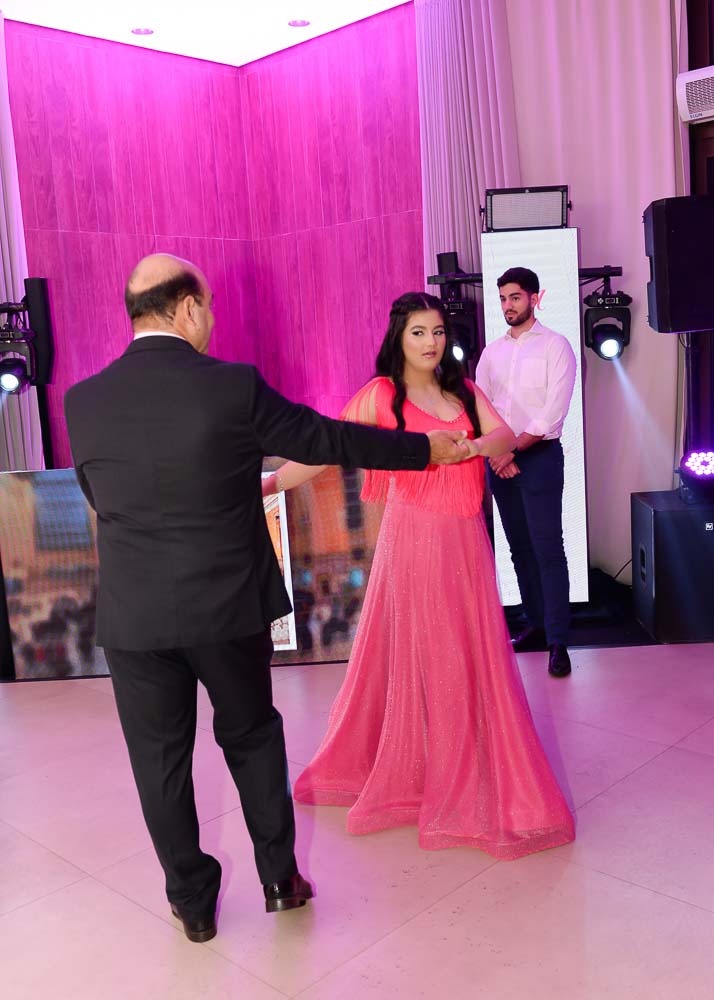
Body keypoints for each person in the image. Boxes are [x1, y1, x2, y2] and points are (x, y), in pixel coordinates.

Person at [63, 255, 476, 944]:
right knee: (252, 737)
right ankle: (281, 880)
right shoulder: (231, 386)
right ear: (187, 308)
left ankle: (193, 906)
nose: (212, 317)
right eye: (209, 305)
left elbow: (98, 498)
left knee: (158, 761)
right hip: (228, 605)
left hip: (134, 615)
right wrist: (423, 451)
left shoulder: (84, 400)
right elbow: (326, 438)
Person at [265, 292, 575, 858]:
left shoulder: (462, 390)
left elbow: (504, 436)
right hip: (414, 541)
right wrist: (270, 483)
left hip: (465, 541)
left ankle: (463, 766)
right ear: (398, 339)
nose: (431, 342)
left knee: (467, 653)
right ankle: (425, 771)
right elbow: (326, 447)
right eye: (418, 333)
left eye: (437, 332)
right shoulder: (383, 395)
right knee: (429, 653)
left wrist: (470, 448)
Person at [475, 267, 577, 679]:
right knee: (518, 548)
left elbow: (553, 413)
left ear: (535, 298)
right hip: (500, 459)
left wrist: (512, 449)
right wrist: (499, 451)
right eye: (503, 298)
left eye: (515, 297)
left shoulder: (556, 346)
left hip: (540, 458)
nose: (508, 306)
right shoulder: (491, 353)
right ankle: (535, 625)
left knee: (548, 548)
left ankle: (558, 642)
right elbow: (479, 406)